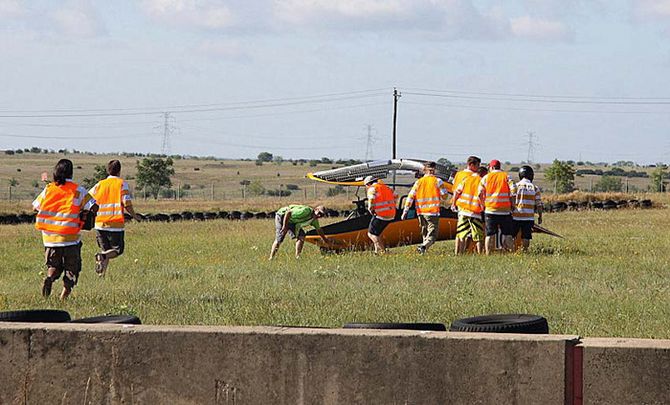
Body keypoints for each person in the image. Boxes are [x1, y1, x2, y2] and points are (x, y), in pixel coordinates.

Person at [33, 159, 96, 300]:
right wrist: (85, 215)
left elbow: (35, 206)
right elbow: (93, 206)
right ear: (71, 173)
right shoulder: (78, 190)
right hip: (70, 239)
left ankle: (49, 278)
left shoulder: (49, 189)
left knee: (53, 266)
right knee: (71, 270)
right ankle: (63, 298)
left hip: (50, 240)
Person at [88, 160, 139, 276]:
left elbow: (87, 198)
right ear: (119, 171)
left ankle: (102, 275)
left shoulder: (99, 184)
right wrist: (134, 216)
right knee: (117, 251)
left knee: (105, 250)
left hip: (100, 223)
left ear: (108, 170)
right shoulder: (121, 183)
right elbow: (126, 203)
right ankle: (102, 257)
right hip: (115, 224)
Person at [401, 161, 449, 254]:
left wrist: (405, 211)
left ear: (424, 170)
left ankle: (423, 251)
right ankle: (423, 246)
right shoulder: (438, 181)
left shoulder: (418, 182)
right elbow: (445, 196)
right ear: (435, 170)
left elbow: (410, 197)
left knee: (424, 232)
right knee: (432, 235)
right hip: (432, 212)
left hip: (421, 212)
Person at [478, 159, 517, 254]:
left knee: (489, 234)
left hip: (490, 211)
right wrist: (513, 204)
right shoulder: (507, 177)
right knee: (507, 234)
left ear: (491, 167)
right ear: (500, 167)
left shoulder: (486, 178)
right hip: (505, 211)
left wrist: (483, 205)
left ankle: (488, 254)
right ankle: (512, 253)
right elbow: (514, 190)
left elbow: (479, 193)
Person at [451, 161, 486, 254]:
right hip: (476, 212)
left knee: (461, 233)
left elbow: (457, 192)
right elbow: (480, 195)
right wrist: (483, 207)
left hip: (464, 211)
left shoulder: (466, 179)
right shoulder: (482, 181)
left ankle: (459, 253)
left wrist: (453, 204)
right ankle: (480, 253)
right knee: (478, 235)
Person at [512, 165, 543, 252]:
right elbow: (539, 204)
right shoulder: (535, 188)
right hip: (528, 217)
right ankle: (524, 251)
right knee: (526, 236)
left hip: (516, 215)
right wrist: (540, 216)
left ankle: (514, 250)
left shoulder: (515, 186)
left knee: (514, 235)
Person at [363, 176, 397, 253]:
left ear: (368, 184)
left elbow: (371, 199)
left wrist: (370, 209)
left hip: (380, 214)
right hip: (391, 214)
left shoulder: (372, 189)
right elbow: (396, 195)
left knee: (371, 234)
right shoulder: (387, 187)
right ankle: (376, 251)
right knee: (377, 233)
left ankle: (383, 251)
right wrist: (392, 205)